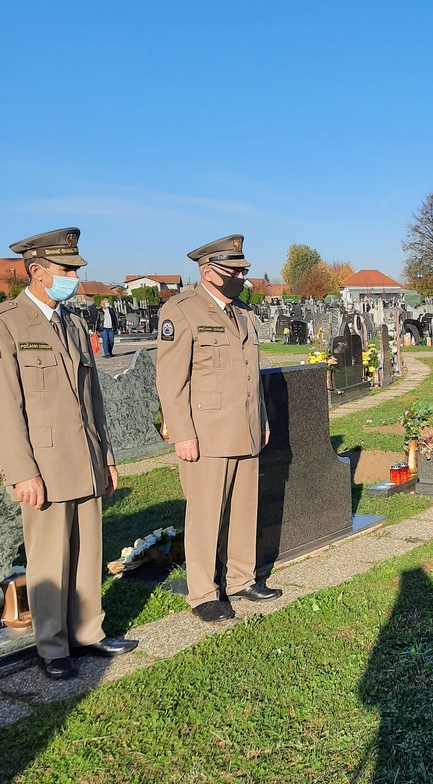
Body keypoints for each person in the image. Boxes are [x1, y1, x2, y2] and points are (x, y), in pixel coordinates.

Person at [0, 228, 137, 678]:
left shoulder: (75, 324)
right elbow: (6, 407)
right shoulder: (8, 324)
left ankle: (88, 631)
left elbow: (94, 400)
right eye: (65, 270)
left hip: (87, 456)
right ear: (36, 272)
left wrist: (109, 458)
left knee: (88, 548)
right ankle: (52, 646)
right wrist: (22, 471)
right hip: (45, 463)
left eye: (76, 269)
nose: (74, 278)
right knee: (50, 557)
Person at [156, 235, 282, 623]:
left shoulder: (243, 313)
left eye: (243, 271)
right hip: (205, 432)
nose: (242, 278)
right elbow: (170, 380)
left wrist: (260, 419)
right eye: (235, 272)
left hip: (243, 426)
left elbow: (252, 375)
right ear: (209, 272)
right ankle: (203, 593)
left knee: (245, 508)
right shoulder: (181, 312)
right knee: (206, 514)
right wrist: (182, 433)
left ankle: (242, 578)